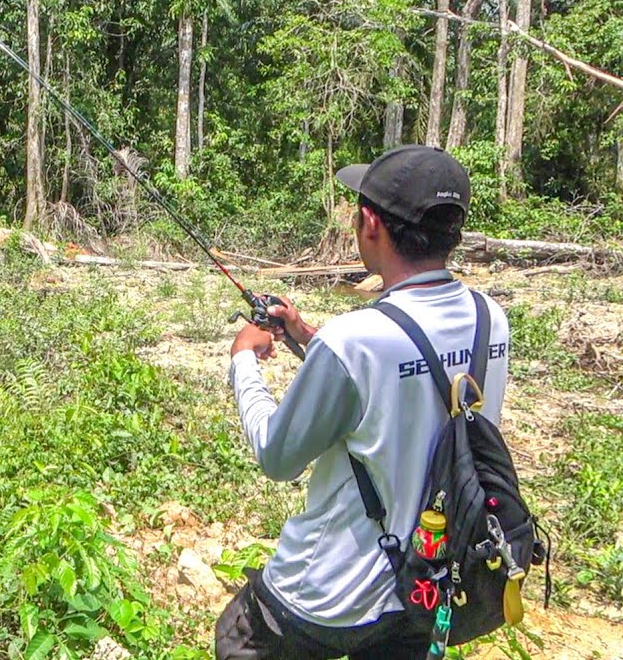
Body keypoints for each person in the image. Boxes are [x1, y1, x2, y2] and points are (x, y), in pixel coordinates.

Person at [215, 145, 511, 659]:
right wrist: (304, 333)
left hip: (330, 593)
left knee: (239, 636)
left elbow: (277, 455)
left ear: (370, 223)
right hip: (428, 581)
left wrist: (244, 359)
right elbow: (403, 375)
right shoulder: (491, 320)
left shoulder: (355, 340)